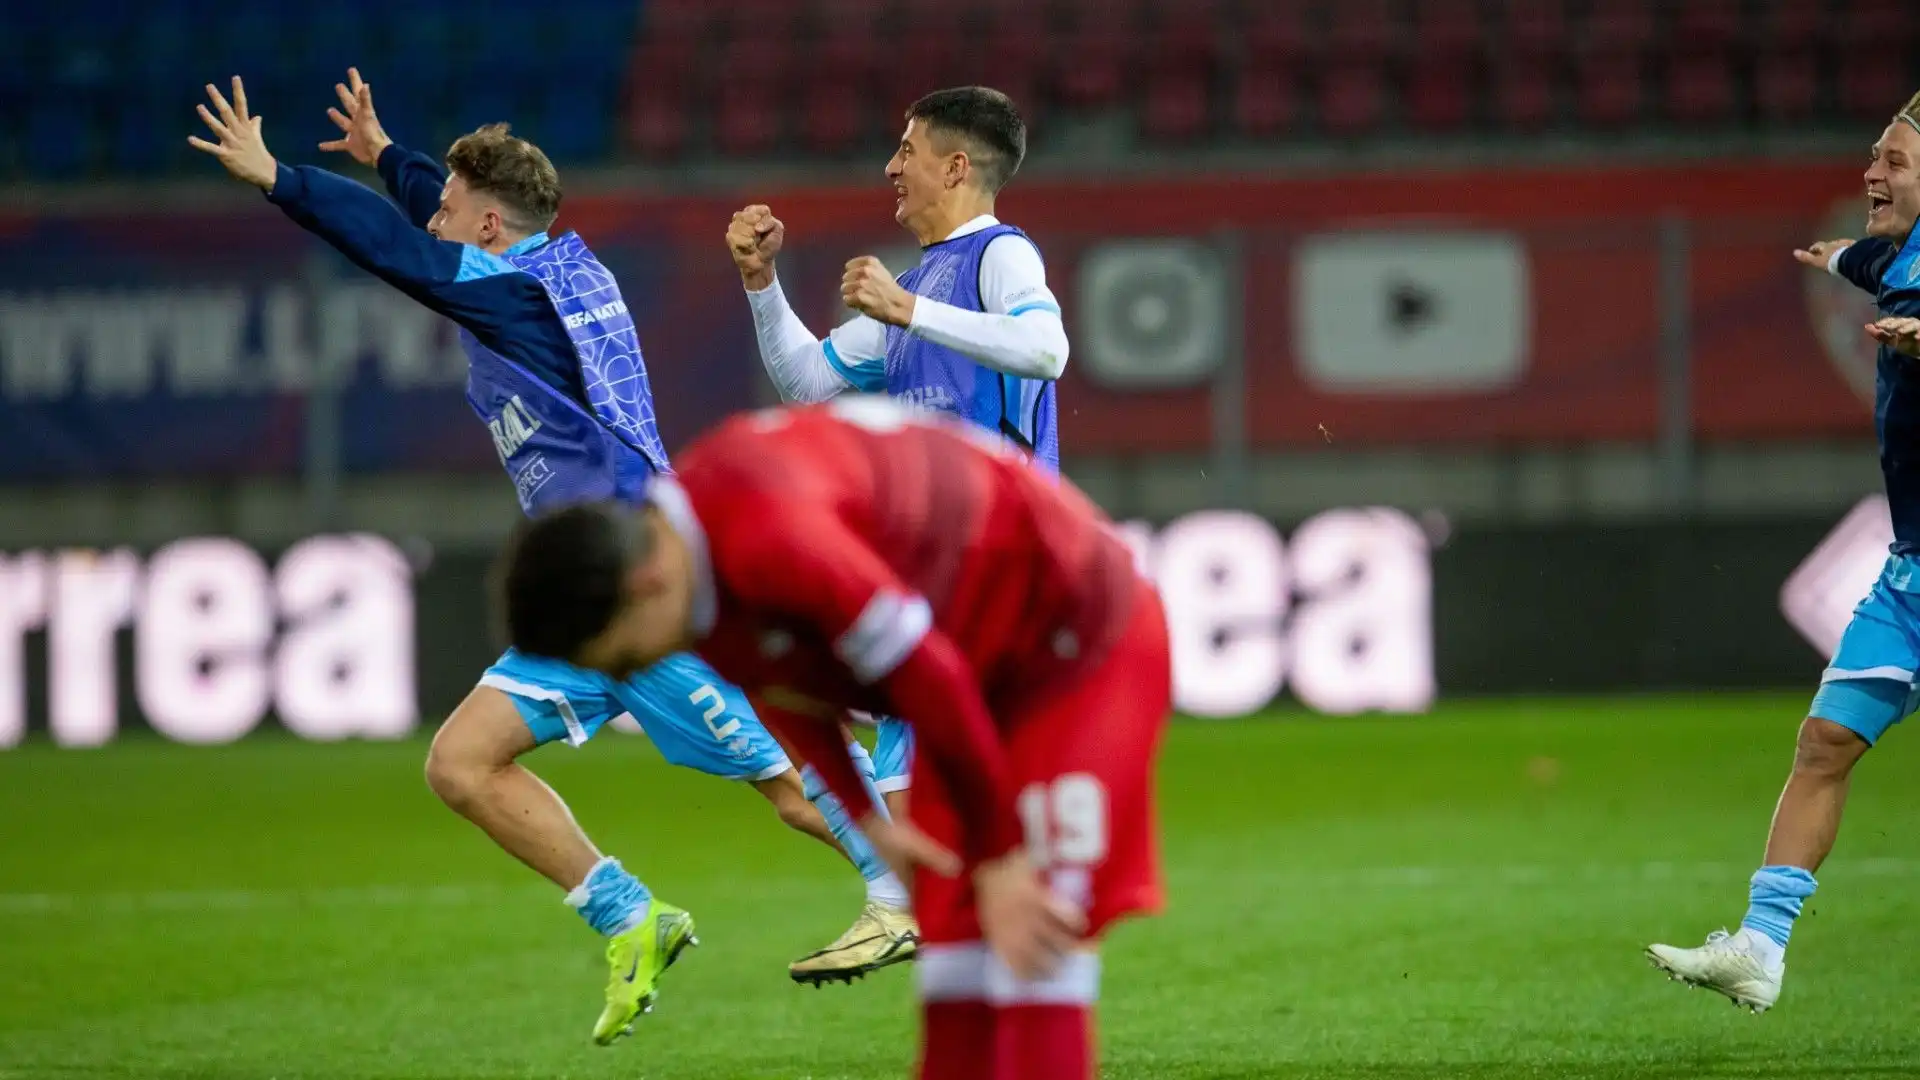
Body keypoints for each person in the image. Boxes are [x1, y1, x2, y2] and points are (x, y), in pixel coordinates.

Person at [187, 72, 907, 1041]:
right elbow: (440, 227)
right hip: (584, 589)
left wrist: (282, 176)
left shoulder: (513, 295)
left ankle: (935, 885)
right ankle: (633, 918)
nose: (433, 216)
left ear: (487, 227)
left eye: (448, 205)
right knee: (463, 763)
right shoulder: (556, 267)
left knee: (789, 783)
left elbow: (405, 253)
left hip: (638, 586)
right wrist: (390, 157)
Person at [495, 398, 1170, 1080]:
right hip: (976, 668)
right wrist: (870, 824)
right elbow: (784, 687)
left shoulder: (767, 534)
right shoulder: (695, 566)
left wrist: (998, 858)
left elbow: (925, 669)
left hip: (1080, 635)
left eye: (622, 659)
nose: (632, 677)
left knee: (1035, 936)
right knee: (956, 959)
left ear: (644, 584)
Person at [725, 87, 1069, 978]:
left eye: (907, 149)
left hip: (1001, 552)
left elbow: (1047, 349)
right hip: (945, 562)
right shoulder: (913, 289)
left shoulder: (1001, 255)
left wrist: (909, 313)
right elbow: (806, 380)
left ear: (957, 166)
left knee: (887, 712)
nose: (891, 166)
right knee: (913, 741)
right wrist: (762, 286)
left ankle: (910, 910)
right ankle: (973, 931)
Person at [1646, 90, 1920, 1013]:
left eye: (1894, 160)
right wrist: (1839, 255)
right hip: (1911, 572)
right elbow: (1871, 259)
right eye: (1874, 157)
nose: (1871, 173)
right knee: (1825, 741)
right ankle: (1762, 946)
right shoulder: (1896, 259)